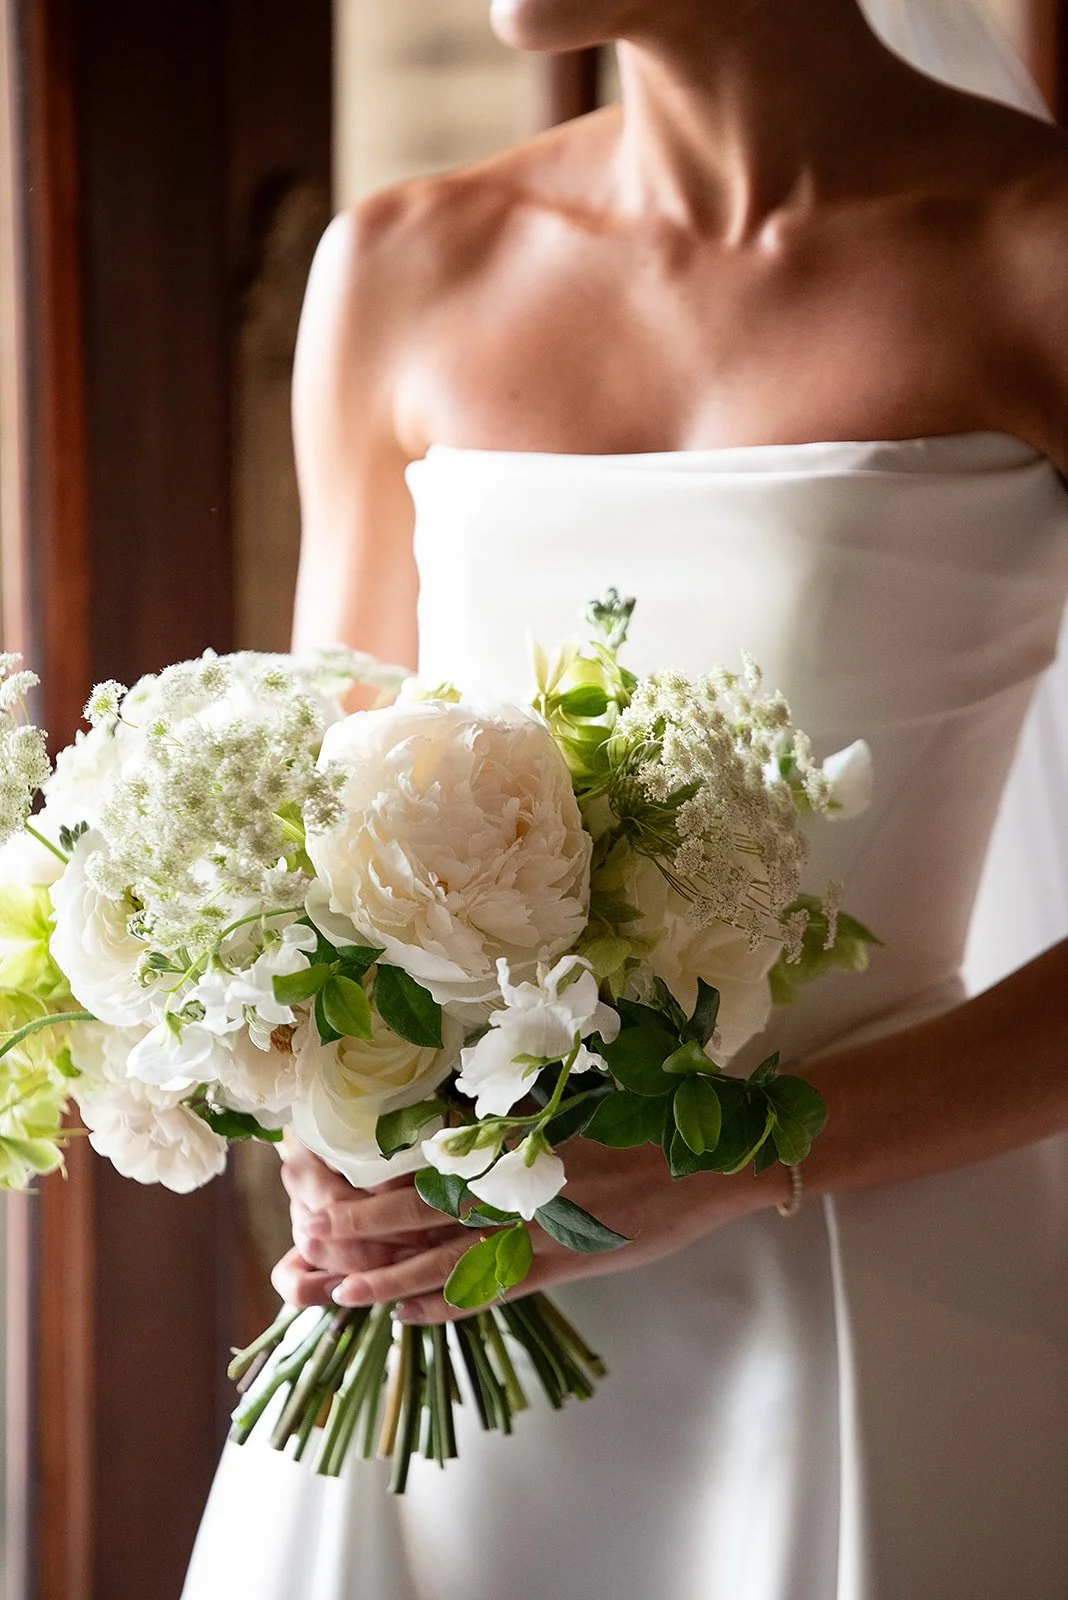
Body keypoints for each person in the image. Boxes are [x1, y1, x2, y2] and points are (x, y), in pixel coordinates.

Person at [182, 0, 1068, 1594]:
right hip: (455, 1312)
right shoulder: (398, 267)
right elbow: (312, 833)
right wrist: (317, 1103)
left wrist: (729, 1160)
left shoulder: (1034, 252)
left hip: (871, 1281)